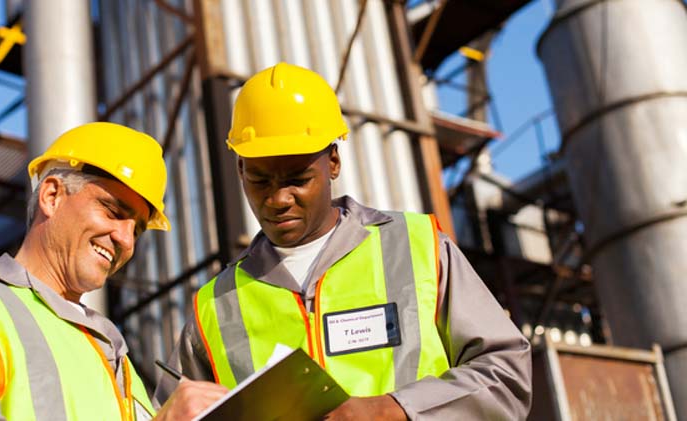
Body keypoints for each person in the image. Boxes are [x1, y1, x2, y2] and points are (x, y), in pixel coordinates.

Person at [154, 63, 531, 419]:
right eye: (259, 180)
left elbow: (506, 374)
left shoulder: (418, 247)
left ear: (333, 161)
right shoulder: (215, 307)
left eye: (297, 179)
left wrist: (394, 409)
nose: (278, 199)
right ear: (240, 168)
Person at [0, 122, 226, 420]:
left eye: (136, 230)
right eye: (111, 211)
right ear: (51, 195)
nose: (125, 239)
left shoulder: (114, 357)